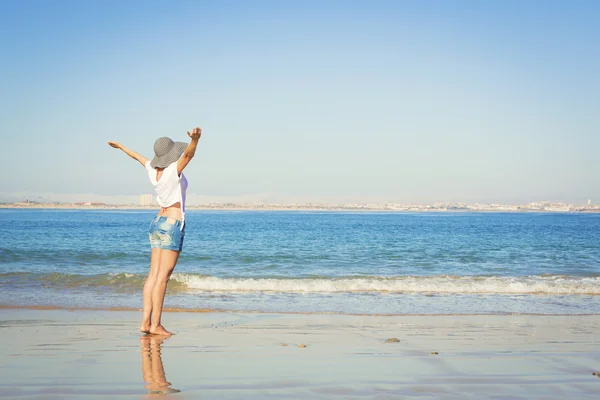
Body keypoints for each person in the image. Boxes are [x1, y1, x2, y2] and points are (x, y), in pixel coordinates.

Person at [108, 127, 202, 336]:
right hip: (171, 224)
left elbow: (137, 157)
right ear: (171, 155)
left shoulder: (153, 170)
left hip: (157, 223)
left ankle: (145, 323)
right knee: (162, 278)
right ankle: (156, 325)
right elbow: (189, 154)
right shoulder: (172, 170)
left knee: (152, 276)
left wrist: (122, 147)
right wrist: (196, 140)